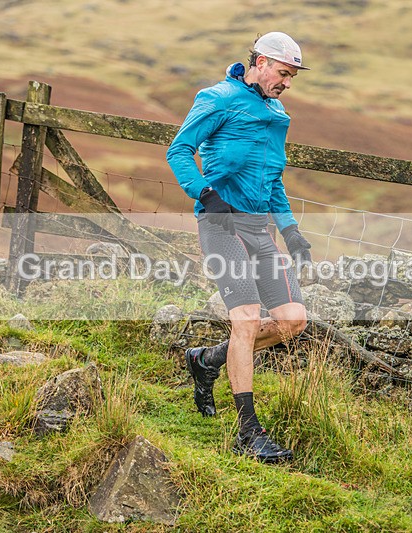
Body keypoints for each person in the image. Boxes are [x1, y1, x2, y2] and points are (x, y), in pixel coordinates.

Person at [166, 32, 312, 463]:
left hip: (259, 229)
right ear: (261, 62)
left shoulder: (277, 112)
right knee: (246, 322)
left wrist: (291, 230)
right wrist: (204, 193)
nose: (287, 82)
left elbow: (274, 180)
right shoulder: (217, 98)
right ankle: (248, 432)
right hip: (220, 224)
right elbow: (179, 151)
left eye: (292, 76)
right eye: (284, 73)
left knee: (293, 321)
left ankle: (207, 360)